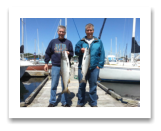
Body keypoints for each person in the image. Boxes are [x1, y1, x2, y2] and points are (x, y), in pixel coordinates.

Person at [75, 23, 105, 107]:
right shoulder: (81, 41)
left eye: (91, 30)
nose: (89, 32)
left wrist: (99, 65)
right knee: (81, 86)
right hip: (82, 67)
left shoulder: (98, 41)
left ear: (93, 31)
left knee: (93, 86)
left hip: (94, 68)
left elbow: (102, 54)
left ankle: (93, 102)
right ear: (85, 31)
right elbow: (76, 51)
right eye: (87, 30)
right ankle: (80, 102)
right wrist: (80, 51)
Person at [44, 25, 74, 107]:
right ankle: (52, 101)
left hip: (65, 67)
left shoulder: (68, 42)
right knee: (54, 84)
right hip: (55, 66)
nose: (61, 33)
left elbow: (72, 53)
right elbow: (47, 53)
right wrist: (46, 63)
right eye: (60, 31)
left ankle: (64, 102)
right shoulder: (53, 42)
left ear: (65, 33)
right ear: (57, 32)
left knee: (64, 84)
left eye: (63, 32)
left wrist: (69, 53)